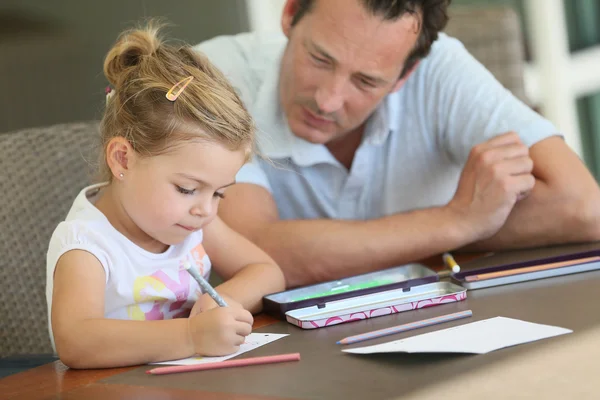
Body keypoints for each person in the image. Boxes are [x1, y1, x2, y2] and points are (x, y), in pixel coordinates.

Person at [195, 0, 600, 288]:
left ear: (405, 76)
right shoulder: (215, 78)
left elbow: (584, 207)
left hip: (452, 316)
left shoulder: (441, 70)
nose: (328, 100)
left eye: (365, 81)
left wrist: (347, 247)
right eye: (319, 59)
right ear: (289, 14)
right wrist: (457, 220)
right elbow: (255, 253)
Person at [46, 22, 285, 369]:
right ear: (122, 159)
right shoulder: (87, 243)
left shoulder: (194, 220)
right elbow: (76, 341)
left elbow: (267, 271)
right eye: (187, 189)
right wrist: (190, 335)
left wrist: (223, 299)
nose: (205, 209)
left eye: (219, 193)